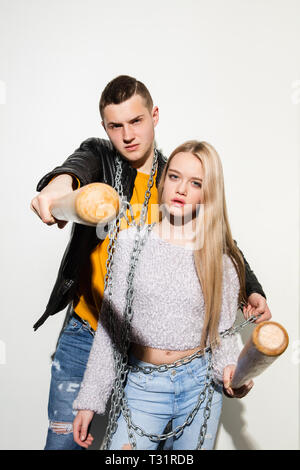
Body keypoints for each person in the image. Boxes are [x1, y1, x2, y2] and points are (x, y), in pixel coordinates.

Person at [30, 75, 271, 450]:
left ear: (154, 116)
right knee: (65, 442)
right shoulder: (101, 157)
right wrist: (58, 188)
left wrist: (251, 287)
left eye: (136, 121)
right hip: (91, 330)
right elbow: (76, 170)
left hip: (158, 343)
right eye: (116, 125)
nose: (127, 135)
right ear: (105, 128)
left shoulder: (173, 173)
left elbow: (218, 242)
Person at [72, 141, 255, 450]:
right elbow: (111, 329)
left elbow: (222, 333)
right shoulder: (129, 244)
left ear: (208, 192)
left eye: (195, 183)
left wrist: (232, 375)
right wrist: (90, 400)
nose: (181, 189)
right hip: (143, 386)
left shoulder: (220, 258)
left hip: (200, 386)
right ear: (163, 179)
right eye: (174, 176)